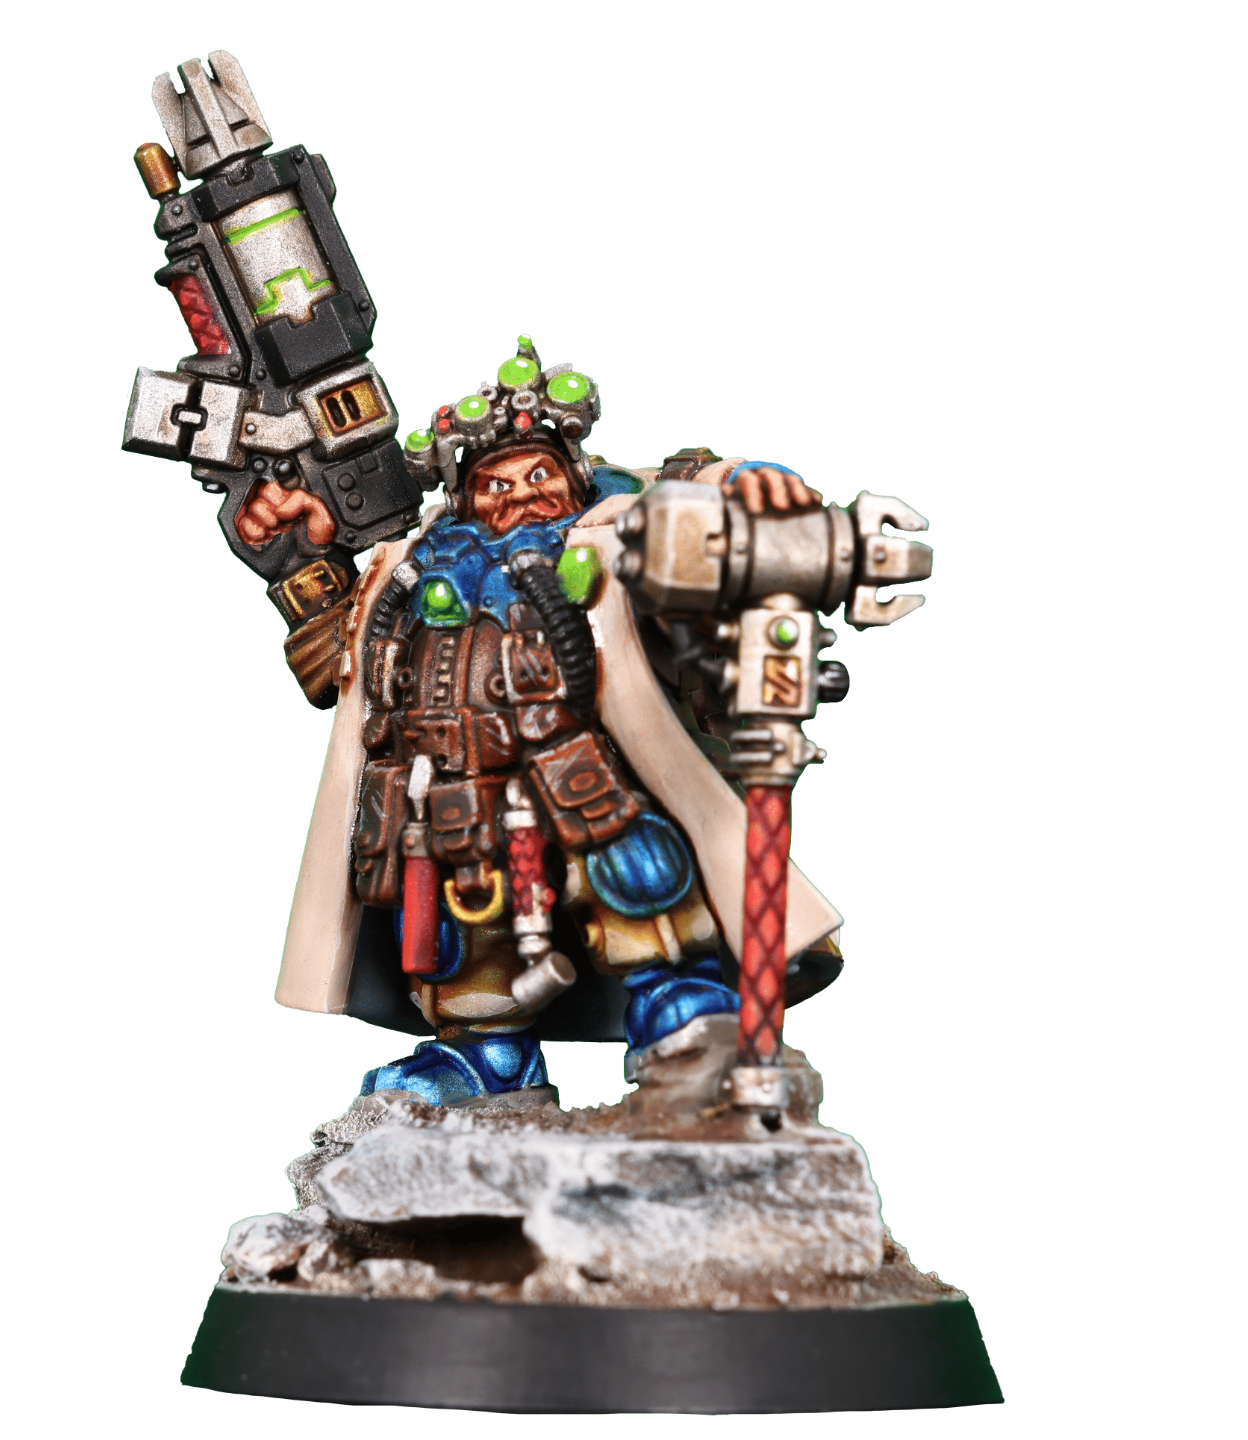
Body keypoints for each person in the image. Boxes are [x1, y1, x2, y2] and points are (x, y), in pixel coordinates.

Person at [240, 340, 844, 1106]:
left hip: (578, 763)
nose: (521, 497)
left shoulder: (612, 540)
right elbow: (335, 664)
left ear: (574, 474)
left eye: (539, 476)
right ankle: (486, 1058)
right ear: (464, 495)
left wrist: (739, 487)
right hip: (448, 787)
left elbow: (693, 526)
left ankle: (684, 1019)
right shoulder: (410, 567)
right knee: (462, 925)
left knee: (639, 877)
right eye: (496, 484)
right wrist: (294, 549)